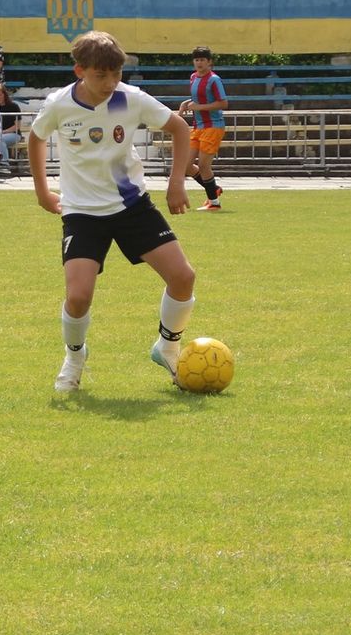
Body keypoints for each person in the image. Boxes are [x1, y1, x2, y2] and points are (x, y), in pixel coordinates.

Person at [28, 30, 198, 393]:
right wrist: (43, 190)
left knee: (183, 278)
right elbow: (36, 137)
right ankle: (74, 357)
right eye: (100, 75)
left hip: (131, 205)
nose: (110, 83)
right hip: (81, 212)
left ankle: (168, 347)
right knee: (78, 296)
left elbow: (180, 128)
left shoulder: (129, 99)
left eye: (116, 74)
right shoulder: (60, 104)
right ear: (80, 71)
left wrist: (176, 181)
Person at [178, 46, 228, 210]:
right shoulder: (193, 77)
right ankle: (214, 190)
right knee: (186, 165)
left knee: (204, 165)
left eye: (202, 60)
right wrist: (186, 103)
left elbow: (223, 103)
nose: (199, 63)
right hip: (198, 126)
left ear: (209, 62)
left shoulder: (214, 79)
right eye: (196, 59)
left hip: (213, 126)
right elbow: (197, 98)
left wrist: (198, 107)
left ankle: (214, 202)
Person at [0, 83, 22, 175]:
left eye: (0, 95)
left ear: (4, 94)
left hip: (14, 134)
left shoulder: (14, 107)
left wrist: (3, 132)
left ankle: (4, 165)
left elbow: (17, 126)